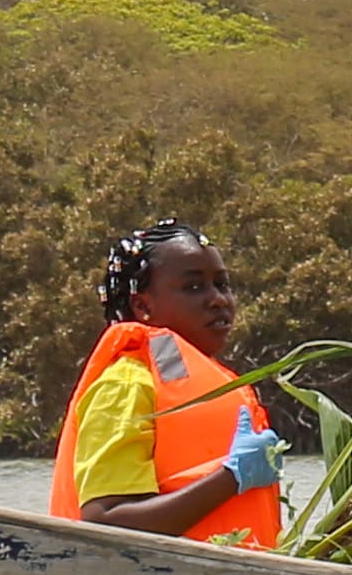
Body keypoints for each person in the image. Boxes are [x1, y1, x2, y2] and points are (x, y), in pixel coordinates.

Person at [50, 220, 285, 545]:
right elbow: (105, 523)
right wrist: (232, 477)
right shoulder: (126, 384)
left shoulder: (210, 378)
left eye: (222, 284)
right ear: (143, 306)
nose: (218, 299)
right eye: (193, 287)